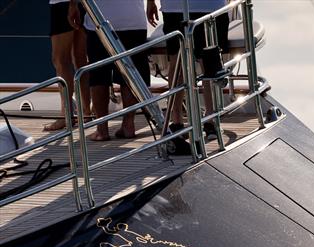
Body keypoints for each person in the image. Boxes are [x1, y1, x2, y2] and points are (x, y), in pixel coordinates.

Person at [146, 0, 230, 140]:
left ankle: (177, 120)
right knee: (207, 61)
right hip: (208, 6)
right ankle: (210, 120)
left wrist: (150, 2)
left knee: (177, 62)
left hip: (175, 8)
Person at [69, 0, 151, 141]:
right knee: (130, 73)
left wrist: (73, 5)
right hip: (134, 19)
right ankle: (128, 125)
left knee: (99, 75)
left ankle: (102, 129)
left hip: (100, 19)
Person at [45, 0, 91, 132]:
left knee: (60, 59)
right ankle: (86, 112)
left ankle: (66, 115)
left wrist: (72, 5)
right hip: (84, 4)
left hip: (64, 4)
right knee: (80, 59)